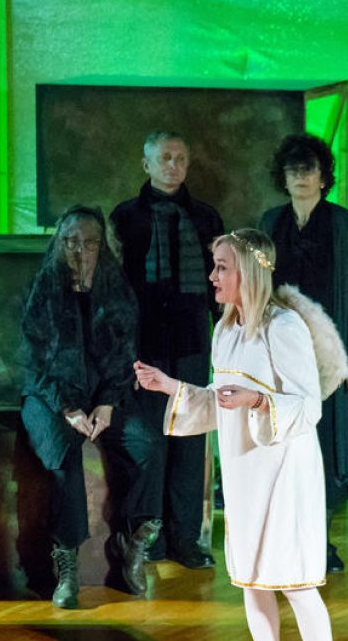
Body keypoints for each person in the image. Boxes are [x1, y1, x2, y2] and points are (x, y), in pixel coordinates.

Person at [135, 228, 338, 641]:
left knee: (295, 583)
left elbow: (308, 405)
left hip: (283, 474)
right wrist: (172, 386)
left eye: (222, 267)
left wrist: (260, 401)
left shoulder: (283, 327)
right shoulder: (225, 330)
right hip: (245, 473)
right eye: (214, 266)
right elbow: (221, 401)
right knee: (250, 578)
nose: (212, 276)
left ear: (248, 272)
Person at [19, 206, 162, 609]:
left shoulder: (116, 290)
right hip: (49, 397)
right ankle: (66, 559)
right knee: (63, 449)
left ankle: (132, 540)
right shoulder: (44, 288)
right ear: (59, 244)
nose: (80, 250)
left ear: (102, 247)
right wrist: (67, 408)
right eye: (71, 242)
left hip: (103, 397)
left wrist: (108, 402)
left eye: (90, 242)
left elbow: (124, 355)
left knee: (147, 443)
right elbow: (34, 361)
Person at [260, 134, 348, 574]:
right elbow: (258, 289)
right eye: (293, 170)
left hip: (329, 356)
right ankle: (287, 540)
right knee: (285, 447)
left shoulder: (343, 224)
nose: (301, 178)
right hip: (283, 356)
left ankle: (319, 541)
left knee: (327, 449)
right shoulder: (271, 221)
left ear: (324, 176)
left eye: (308, 169)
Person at [111, 130, 224, 569]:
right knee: (150, 438)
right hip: (146, 344)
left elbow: (220, 283)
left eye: (180, 158)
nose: (172, 165)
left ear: (188, 163)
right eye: (164, 158)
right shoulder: (125, 218)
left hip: (194, 341)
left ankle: (185, 538)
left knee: (190, 439)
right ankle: (148, 534)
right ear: (146, 164)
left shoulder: (206, 218)